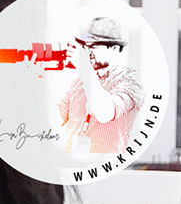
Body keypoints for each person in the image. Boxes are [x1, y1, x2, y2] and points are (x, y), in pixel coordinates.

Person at [58, 16, 143, 154]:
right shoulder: (87, 81)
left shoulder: (129, 83)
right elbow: (60, 114)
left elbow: (106, 113)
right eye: (87, 46)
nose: (90, 51)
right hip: (91, 161)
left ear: (115, 48)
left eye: (96, 46)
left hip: (117, 163)